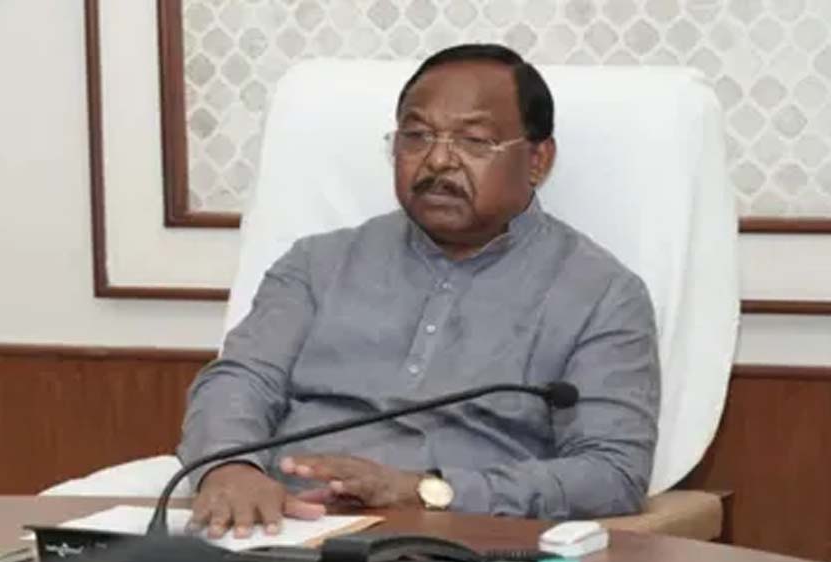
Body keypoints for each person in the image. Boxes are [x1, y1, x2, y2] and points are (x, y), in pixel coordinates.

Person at [178, 43, 660, 539]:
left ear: (537, 160)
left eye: (474, 141)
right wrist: (230, 468)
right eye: (417, 136)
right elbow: (240, 380)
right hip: (278, 528)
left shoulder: (602, 295)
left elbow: (612, 472)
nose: (438, 161)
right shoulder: (317, 263)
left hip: (454, 538)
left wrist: (427, 490)